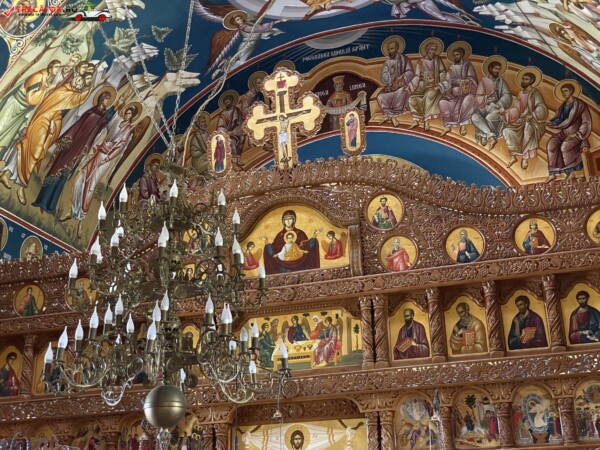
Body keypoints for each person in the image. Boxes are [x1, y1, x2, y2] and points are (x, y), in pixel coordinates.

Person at [0, 68, 96, 205]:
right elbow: (74, 100)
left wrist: (55, 125)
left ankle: (7, 174)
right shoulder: (64, 91)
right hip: (41, 122)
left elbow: (60, 110)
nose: (82, 82)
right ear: (76, 79)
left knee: (29, 148)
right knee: (34, 151)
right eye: (82, 79)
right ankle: (21, 185)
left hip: (47, 123)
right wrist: (93, 87)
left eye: (86, 81)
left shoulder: (68, 92)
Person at [33, 87, 115, 215]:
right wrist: (68, 141)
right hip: (71, 146)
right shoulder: (91, 113)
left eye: (108, 100)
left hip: (80, 149)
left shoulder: (102, 117)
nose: (106, 102)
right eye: (105, 99)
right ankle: (42, 201)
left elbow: (102, 125)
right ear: (100, 99)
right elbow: (78, 127)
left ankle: (51, 206)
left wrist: (113, 110)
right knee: (55, 172)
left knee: (63, 178)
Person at [68, 104, 137, 226]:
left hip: (105, 159)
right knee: (82, 177)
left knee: (91, 185)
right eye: (126, 112)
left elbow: (120, 147)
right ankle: (73, 209)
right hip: (98, 152)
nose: (127, 115)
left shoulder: (128, 131)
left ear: (132, 116)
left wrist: (107, 158)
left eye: (129, 114)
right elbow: (105, 128)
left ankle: (82, 215)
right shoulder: (117, 121)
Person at [0, 60, 61, 156]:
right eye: (56, 67)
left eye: (59, 67)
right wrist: (48, 89)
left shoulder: (48, 79)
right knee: (1, 129)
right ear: (50, 68)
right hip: (14, 106)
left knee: (6, 138)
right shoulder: (39, 77)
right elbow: (31, 100)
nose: (58, 69)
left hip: (22, 112)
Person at [545, 81, 592, 182]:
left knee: (565, 147)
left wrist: (577, 134)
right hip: (564, 133)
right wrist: (552, 123)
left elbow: (586, 122)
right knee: (551, 143)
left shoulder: (580, 105)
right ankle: (553, 173)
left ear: (571, 91)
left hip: (576, 134)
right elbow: (560, 118)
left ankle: (571, 173)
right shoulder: (563, 106)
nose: (563, 93)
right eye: (562, 91)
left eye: (565, 91)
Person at [503, 69, 548, 171]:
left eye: (526, 79)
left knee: (527, 130)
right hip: (521, 120)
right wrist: (508, 113)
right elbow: (517, 108)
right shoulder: (521, 93)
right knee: (507, 131)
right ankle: (513, 156)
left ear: (531, 81)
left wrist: (532, 114)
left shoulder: (535, 93)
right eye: (523, 79)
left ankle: (525, 158)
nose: (523, 81)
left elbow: (541, 107)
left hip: (534, 121)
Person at [438, 43, 479, 137]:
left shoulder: (467, 65)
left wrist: (460, 81)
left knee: (467, 100)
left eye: (457, 54)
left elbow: (472, 79)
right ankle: (448, 125)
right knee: (442, 102)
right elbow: (448, 82)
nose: (455, 57)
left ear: (462, 55)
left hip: (467, 92)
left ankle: (462, 124)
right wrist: (440, 86)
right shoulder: (451, 68)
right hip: (454, 94)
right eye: (454, 55)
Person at [262, 210, 320, 274]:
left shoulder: (300, 233)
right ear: (283, 221)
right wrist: (266, 242)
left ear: (293, 220)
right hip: (284, 267)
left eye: (290, 219)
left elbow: (308, 247)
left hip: (299, 265)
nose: (288, 221)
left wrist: (314, 236)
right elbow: (273, 252)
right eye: (286, 219)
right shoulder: (279, 236)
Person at [472, 56, 512, 150]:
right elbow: (478, 97)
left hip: (496, 106)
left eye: (498, 69)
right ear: (490, 69)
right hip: (484, 105)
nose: (497, 71)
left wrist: (499, 104)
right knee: (474, 116)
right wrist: (485, 98)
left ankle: (484, 134)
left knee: (489, 118)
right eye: (495, 68)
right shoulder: (484, 81)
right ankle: (491, 136)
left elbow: (507, 95)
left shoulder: (501, 82)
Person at [408, 39, 446, 131]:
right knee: (412, 98)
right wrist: (410, 84)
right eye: (432, 49)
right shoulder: (421, 61)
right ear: (427, 50)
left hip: (435, 84)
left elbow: (443, 72)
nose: (433, 51)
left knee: (429, 96)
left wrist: (438, 81)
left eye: (435, 49)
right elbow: (417, 75)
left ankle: (426, 121)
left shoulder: (437, 59)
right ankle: (416, 120)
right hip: (422, 85)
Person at [377, 37, 415, 126]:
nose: (390, 51)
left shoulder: (404, 59)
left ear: (397, 48)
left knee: (402, 92)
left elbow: (410, 72)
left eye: (392, 49)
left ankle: (391, 116)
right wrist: (389, 76)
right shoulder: (388, 62)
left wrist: (402, 77)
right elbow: (383, 77)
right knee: (380, 96)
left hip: (402, 85)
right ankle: (390, 116)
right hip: (391, 87)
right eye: (389, 49)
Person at [216, 91, 244, 169]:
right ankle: (234, 163)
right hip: (226, 133)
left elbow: (241, 121)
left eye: (228, 101)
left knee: (242, 138)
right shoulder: (223, 114)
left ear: (231, 101)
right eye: (225, 103)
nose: (226, 104)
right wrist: (226, 132)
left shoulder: (236, 110)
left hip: (235, 131)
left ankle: (238, 159)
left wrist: (236, 130)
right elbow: (220, 127)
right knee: (231, 142)